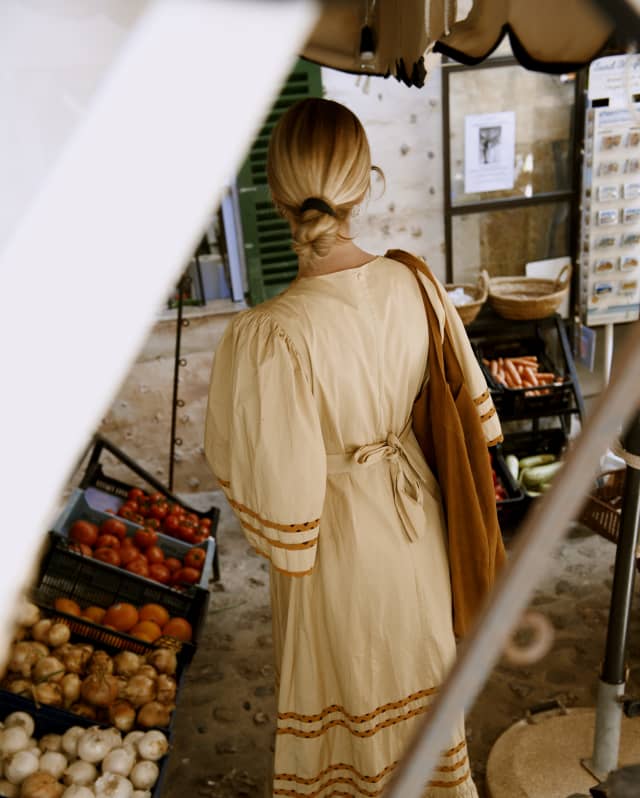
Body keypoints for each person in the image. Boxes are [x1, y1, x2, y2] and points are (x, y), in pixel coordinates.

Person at [205, 98, 501, 798]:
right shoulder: (417, 282)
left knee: (352, 730)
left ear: (276, 196)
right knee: (425, 717)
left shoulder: (270, 335)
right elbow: (478, 420)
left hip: (337, 555)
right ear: (365, 183)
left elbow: (281, 512)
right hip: (418, 523)